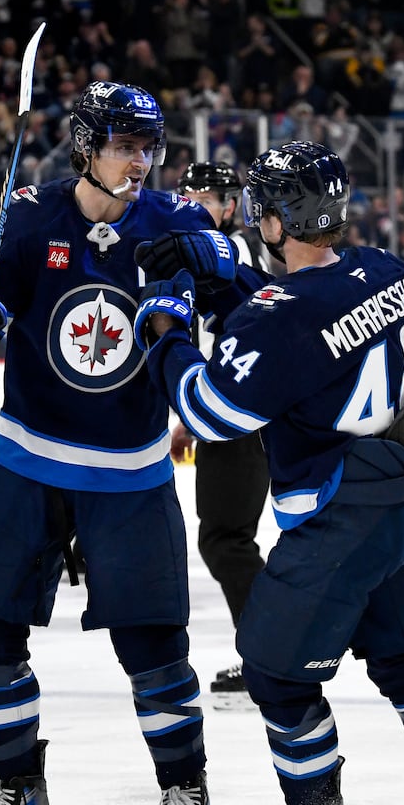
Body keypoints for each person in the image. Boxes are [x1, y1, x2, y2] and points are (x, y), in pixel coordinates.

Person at [135, 141, 404, 805]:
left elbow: (207, 411)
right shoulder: (384, 271)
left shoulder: (275, 317)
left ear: (276, 220)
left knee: (275, 676)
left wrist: (166, 328)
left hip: (338, 522)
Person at [0, 82, 233, 805]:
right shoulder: (28, 217)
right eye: (124, 147)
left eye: (149, 148)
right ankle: (17, 784)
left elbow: (243, 288)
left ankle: (185, 787)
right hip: (29, 464)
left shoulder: (172, 220)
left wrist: (220, 254)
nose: (140, 163)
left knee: (154, 649)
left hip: (131, 473)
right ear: (86, 148)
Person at [167, 161, 271, 698]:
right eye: (185, 193)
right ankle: (270, 652)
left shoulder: (234, 251)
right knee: (228, 540)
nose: (192, 202)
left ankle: (269, 658)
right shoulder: (217, 249)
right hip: (234, 413)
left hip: (242, 418)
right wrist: (191, 418)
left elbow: (242, 334)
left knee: (226, 540)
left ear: (231, 205)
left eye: (204, 195)